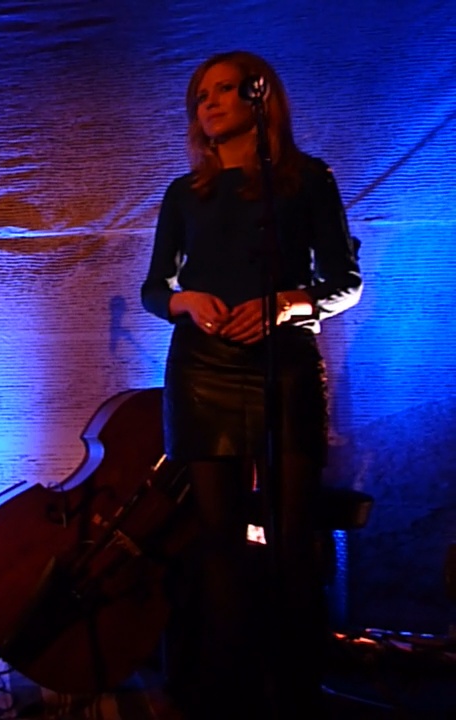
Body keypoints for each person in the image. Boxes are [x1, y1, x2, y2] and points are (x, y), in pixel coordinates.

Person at [140, 51, 362, 719]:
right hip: (203, 372)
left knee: (293, 543)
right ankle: (224, 692)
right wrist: (186, 302)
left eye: (225, 91)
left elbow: (345, 284)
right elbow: (155, 288)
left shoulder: (308, 180)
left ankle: (295, 690)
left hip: (285, 365)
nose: (208, 103)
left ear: (261, 99)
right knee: (218, 544)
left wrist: (289, 301)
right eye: (201, 95)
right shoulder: (186, 194)